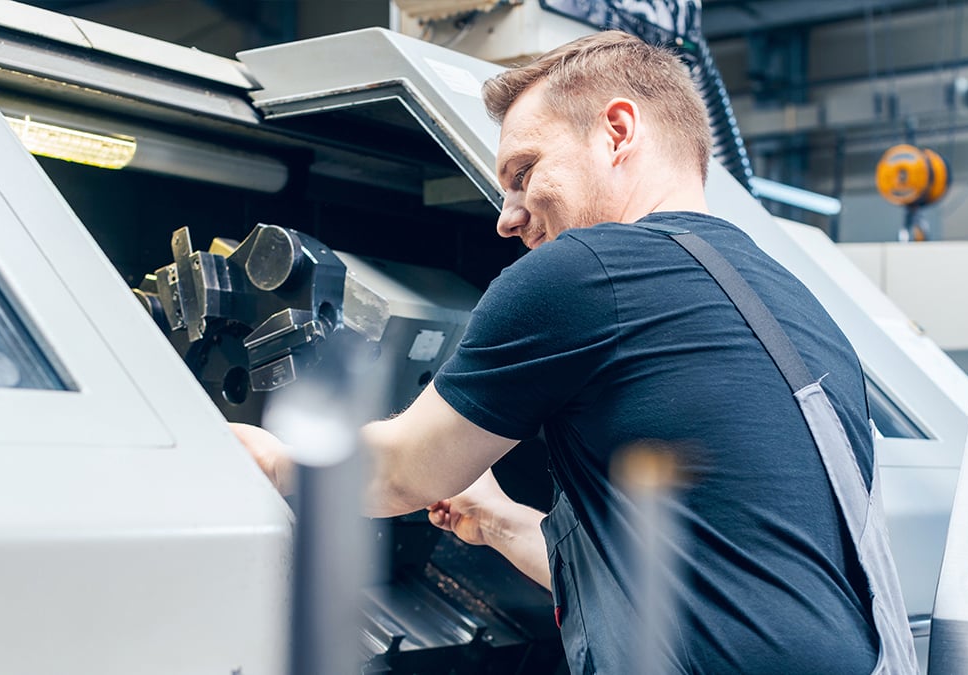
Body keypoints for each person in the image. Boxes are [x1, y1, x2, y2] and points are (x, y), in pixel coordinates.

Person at [233, 30, 905, 673]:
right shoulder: (796, 305)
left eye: (524, 172)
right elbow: (692, 584)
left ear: (617, 131)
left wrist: (260, 455)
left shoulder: (586, 271)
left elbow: (399, 473)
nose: (507, 214)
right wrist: (497, 521)